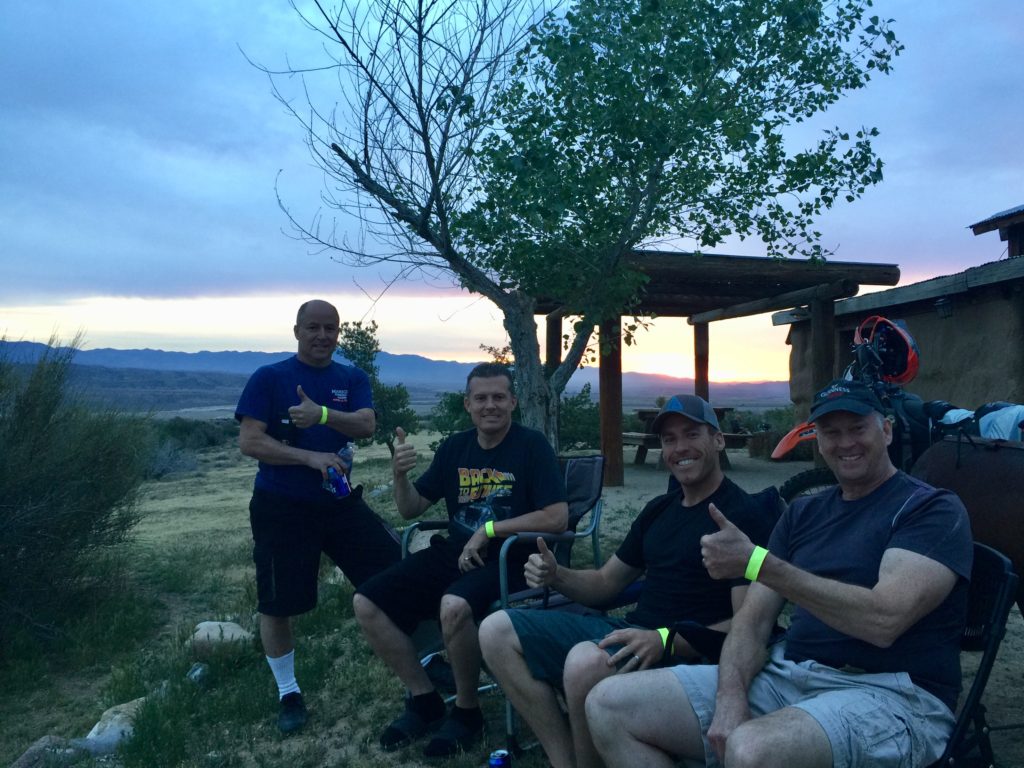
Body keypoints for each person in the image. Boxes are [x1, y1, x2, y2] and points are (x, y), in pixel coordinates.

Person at [586, 379, 974, 768]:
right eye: (830, 432)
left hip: (891, 695)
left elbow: (884, 619)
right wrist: (730, 698)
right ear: (817, 441)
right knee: (609, 704)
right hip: (791, 677)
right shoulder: (804, 514)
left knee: (752, 749)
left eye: (857, 428)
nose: (844, 443)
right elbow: (751, 622)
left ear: (886, 430)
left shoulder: (929, 509)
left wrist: (758, 563)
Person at [479, 394, 776, 768]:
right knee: (495, 630)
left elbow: (748, 624)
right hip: (632, 631)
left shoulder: (740, 517)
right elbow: (605, 583)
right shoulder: (658, 510)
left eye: (691, 434)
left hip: (690, 653)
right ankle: (564, 758)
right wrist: (557, 575)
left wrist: (666, 639)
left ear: (717, 440)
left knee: (585, 662)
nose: (680, 447)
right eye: (669, 439)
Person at [353, 363, 569, 758]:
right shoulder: (455, 447)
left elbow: (557, 516)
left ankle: (467, 711)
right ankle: (425, 699)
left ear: (513, 402)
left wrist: (489, 531)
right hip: (454, 553)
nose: (491, 406)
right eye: (481, 398)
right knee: (367, 602)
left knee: (453, 606)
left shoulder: (531, 446)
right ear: (467, 404)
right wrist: (400, 475)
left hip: (511, 560)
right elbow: (411, 509)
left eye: (499, 397)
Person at [236, 299, 401, 734]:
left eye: (331, 328)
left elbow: (366, 424)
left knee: (395, 576)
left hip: (341, 503)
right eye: (313, 327)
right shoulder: (270, 378)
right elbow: (251, 442)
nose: (323, 336)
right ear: (296, 331)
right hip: (282, 507)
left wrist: (322, 415)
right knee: (278, 602)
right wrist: (308, 456)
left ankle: (424, 659)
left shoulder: (352, 377)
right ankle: (288, 692)